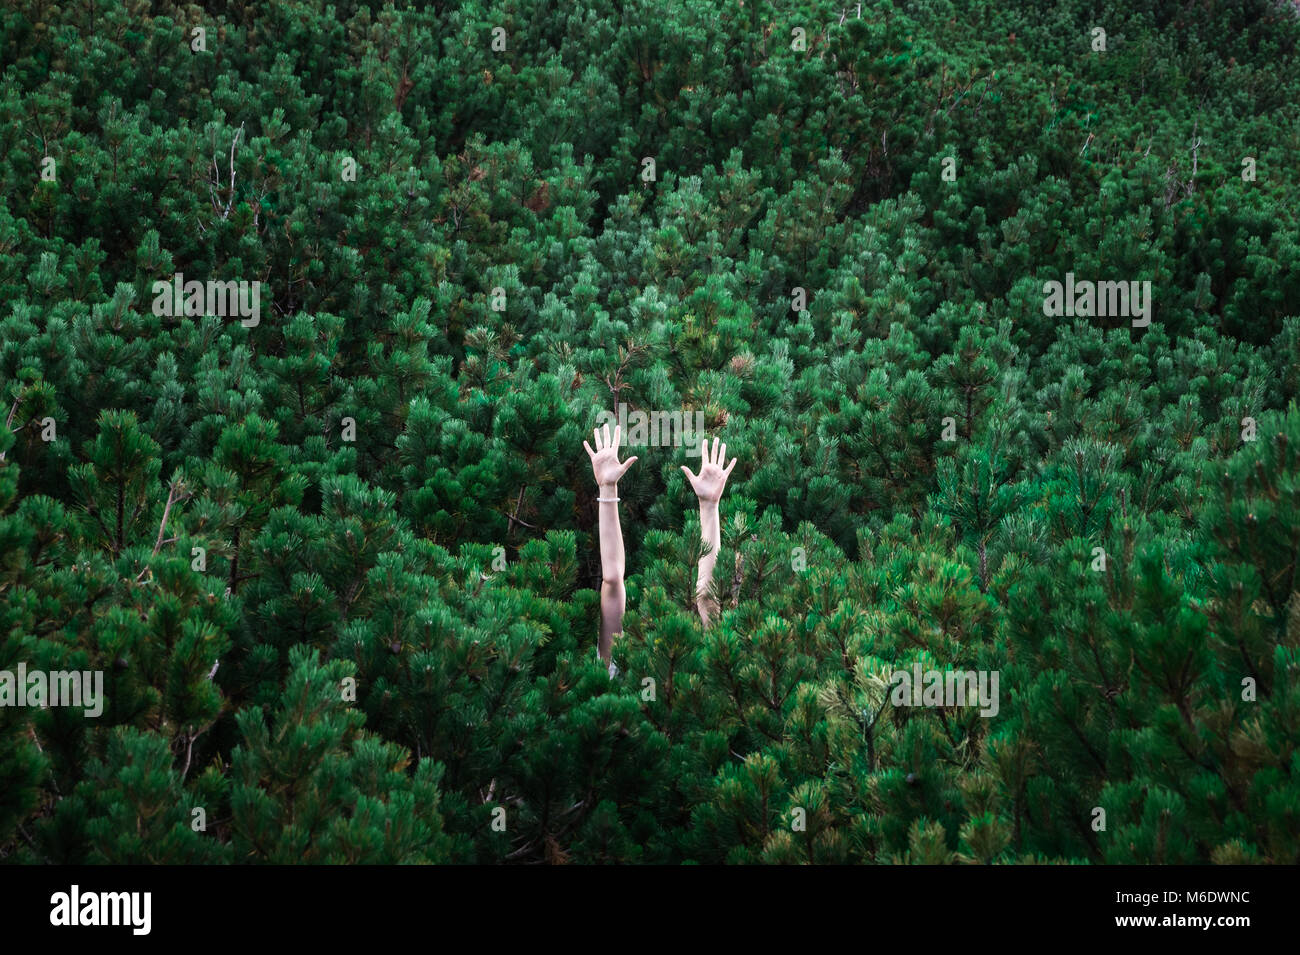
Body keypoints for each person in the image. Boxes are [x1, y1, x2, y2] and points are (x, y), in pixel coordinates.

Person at [584, 425, 738, 677]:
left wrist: (710, 508)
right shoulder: (620, 667)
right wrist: (607, 488)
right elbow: (612, 580)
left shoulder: (700, 672)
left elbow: (708, 598)